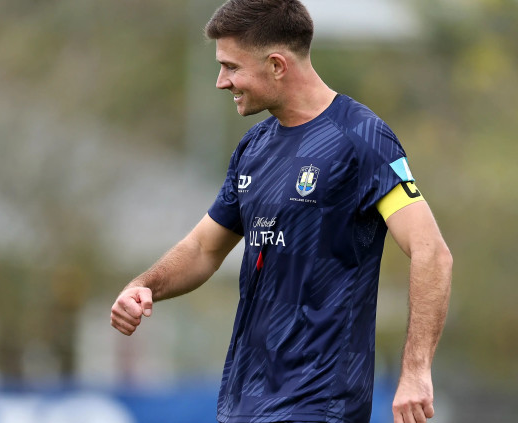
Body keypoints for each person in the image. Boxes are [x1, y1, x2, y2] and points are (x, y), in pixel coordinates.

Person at [110, 1, 452, 422]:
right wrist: (144, 285)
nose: (221, 81)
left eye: (231, 67)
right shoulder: (254, 148)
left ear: (276, 65)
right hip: (245, 403)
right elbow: (203, 249)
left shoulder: (362, 139)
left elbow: (431, 252)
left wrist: (416, 372)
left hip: (320, 404)